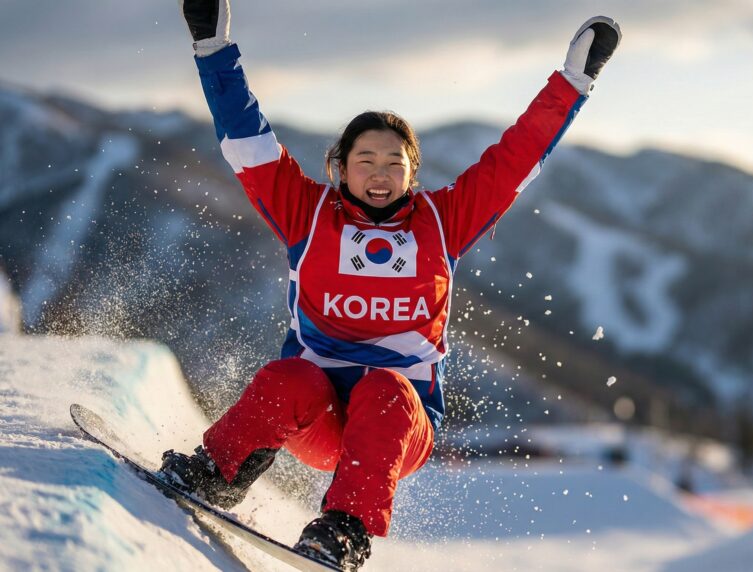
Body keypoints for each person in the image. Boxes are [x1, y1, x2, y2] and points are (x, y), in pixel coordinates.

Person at [160, 0, 620, 569]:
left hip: (401, 422)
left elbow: (516, 158)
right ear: (340, 166)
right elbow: (246, 140)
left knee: (383, 388)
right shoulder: (306, 211)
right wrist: (213, 48)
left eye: (393, 163)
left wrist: (574, 82)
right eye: (366, 159)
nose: (379, 174)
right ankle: (218, 474)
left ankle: (344, 530)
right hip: (321, 418)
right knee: (287, 376)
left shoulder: (443, 220)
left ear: (411, 172)